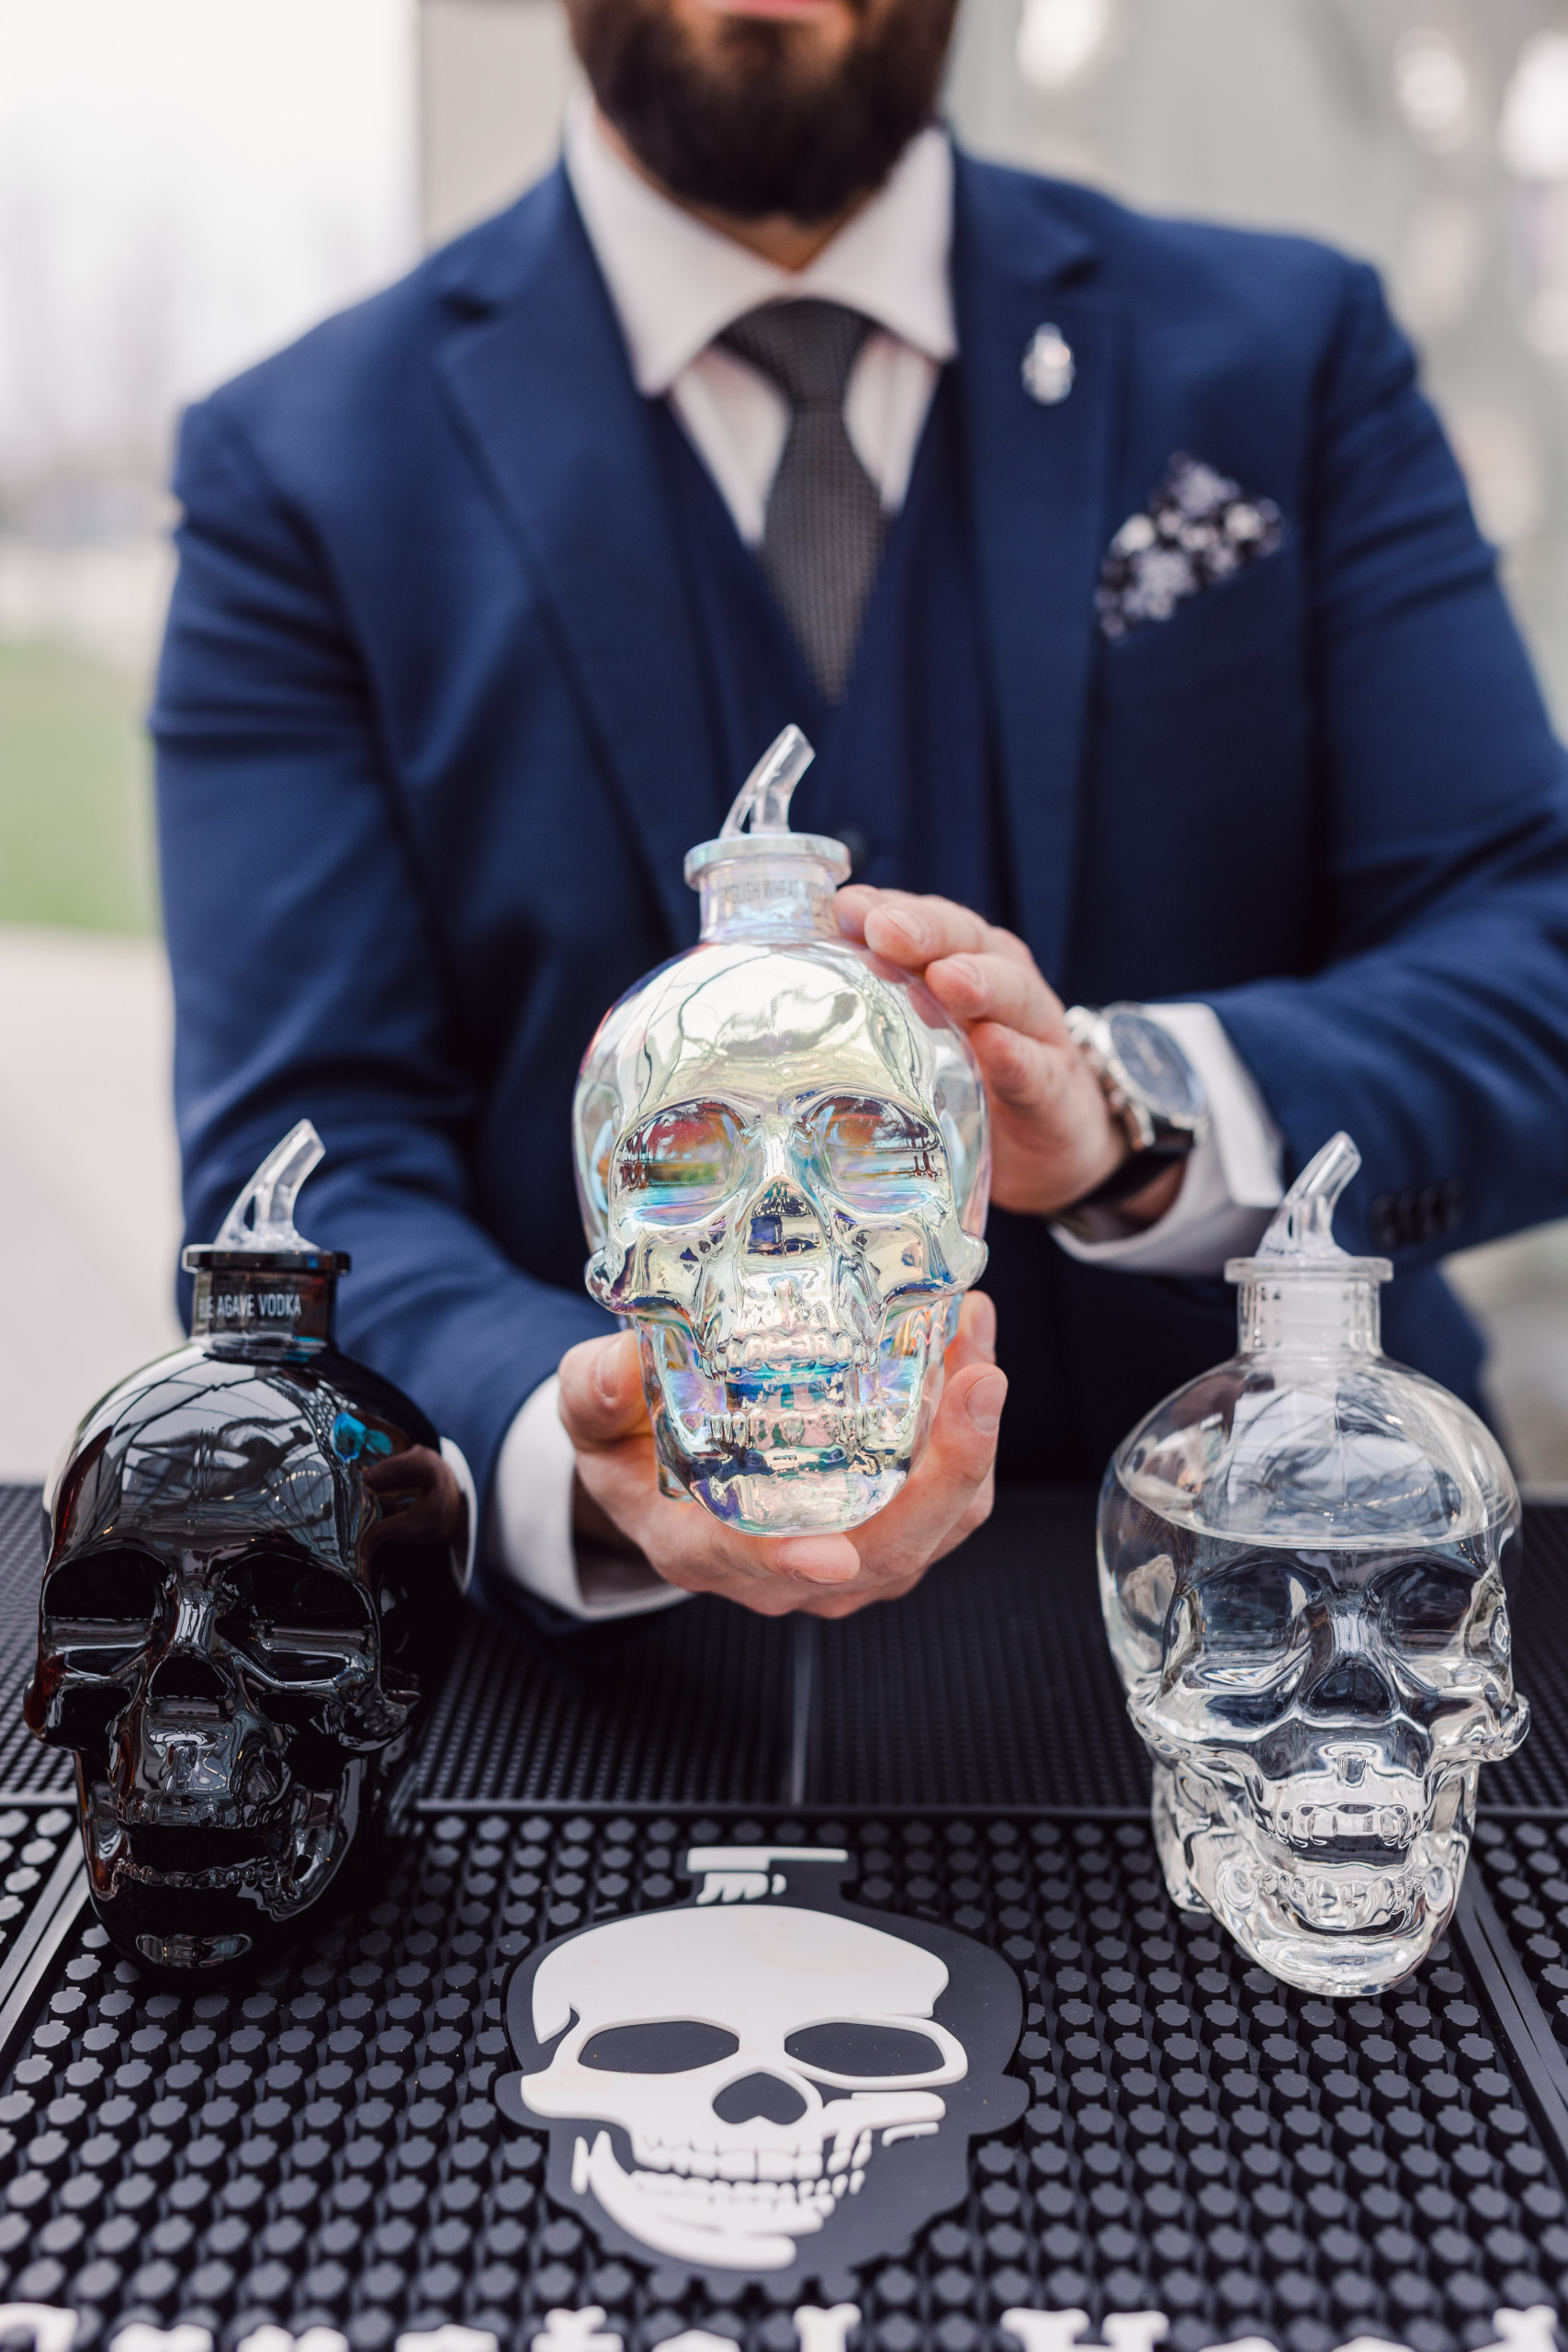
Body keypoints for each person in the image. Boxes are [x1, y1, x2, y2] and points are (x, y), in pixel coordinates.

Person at [153, 0, 1568, 1627]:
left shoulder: (1290, 352)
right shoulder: (302, 466)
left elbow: (1536, 972)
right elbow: (304, 1156)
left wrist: (1130, 1112)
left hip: (1291, 1638)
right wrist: (570, 1453)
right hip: (605, 1705)